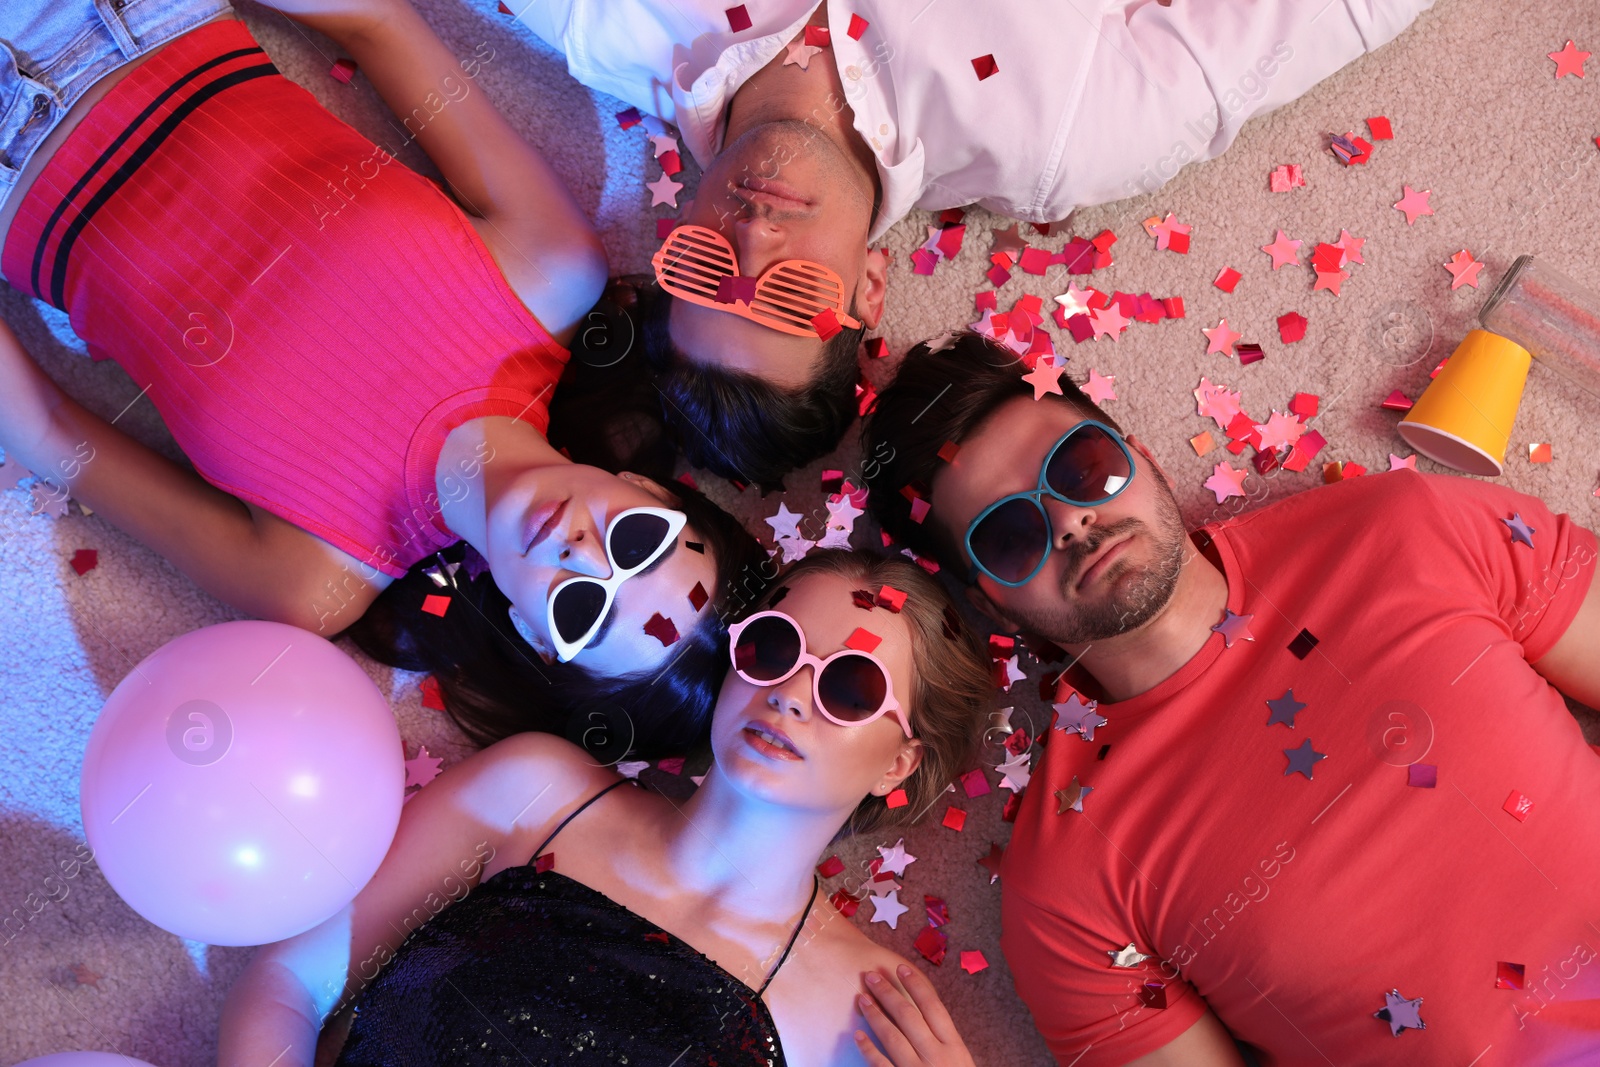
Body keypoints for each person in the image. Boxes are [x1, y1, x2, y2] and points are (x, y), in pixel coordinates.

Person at [0, 0, 766, 755]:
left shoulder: (309, 580)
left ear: (536, 635)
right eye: (637, 541)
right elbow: (377, 23)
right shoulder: (553, 274)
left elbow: (52, 435)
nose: (581, 553)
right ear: (652, 491)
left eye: (583, 612)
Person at [863, 333, 1600, 1064]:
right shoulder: (1066, 890)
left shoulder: (1403, 527)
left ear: (1141, 455)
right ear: (992, 605)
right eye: (1010, 534)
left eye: (1081, 467)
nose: (1069, 522)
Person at [515, 0, 1437, 486]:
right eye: (791, 296)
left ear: (669, 237)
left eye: (706, 270)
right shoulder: (1062, 134)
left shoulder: (607, 20)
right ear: (871, 289)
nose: (753, 235)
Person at [216, 549, 992, 1066]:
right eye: (773, 648)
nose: (789, 694)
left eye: (850, 687)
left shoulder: (873, 1009)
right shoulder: (534, 791)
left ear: (900, 761)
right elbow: (291, 983)